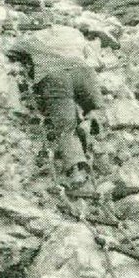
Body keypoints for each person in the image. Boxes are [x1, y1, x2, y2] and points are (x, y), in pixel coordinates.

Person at [9, 25, 102, 192]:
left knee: (64, 127)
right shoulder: (75, 33)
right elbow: (95, 59)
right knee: (91, 107)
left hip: (55, 76)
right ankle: (90, 121)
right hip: (84, 73)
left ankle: (76, 172)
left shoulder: (34, 38)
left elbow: (12, 50)